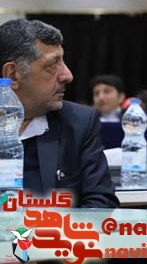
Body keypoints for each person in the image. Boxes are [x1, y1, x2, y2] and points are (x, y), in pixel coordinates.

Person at [0, 19, 119, 208]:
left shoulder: (78, 124)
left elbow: (101, 202)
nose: (67, 75)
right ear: (13, 75)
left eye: (63, 61)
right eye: (52, 65)